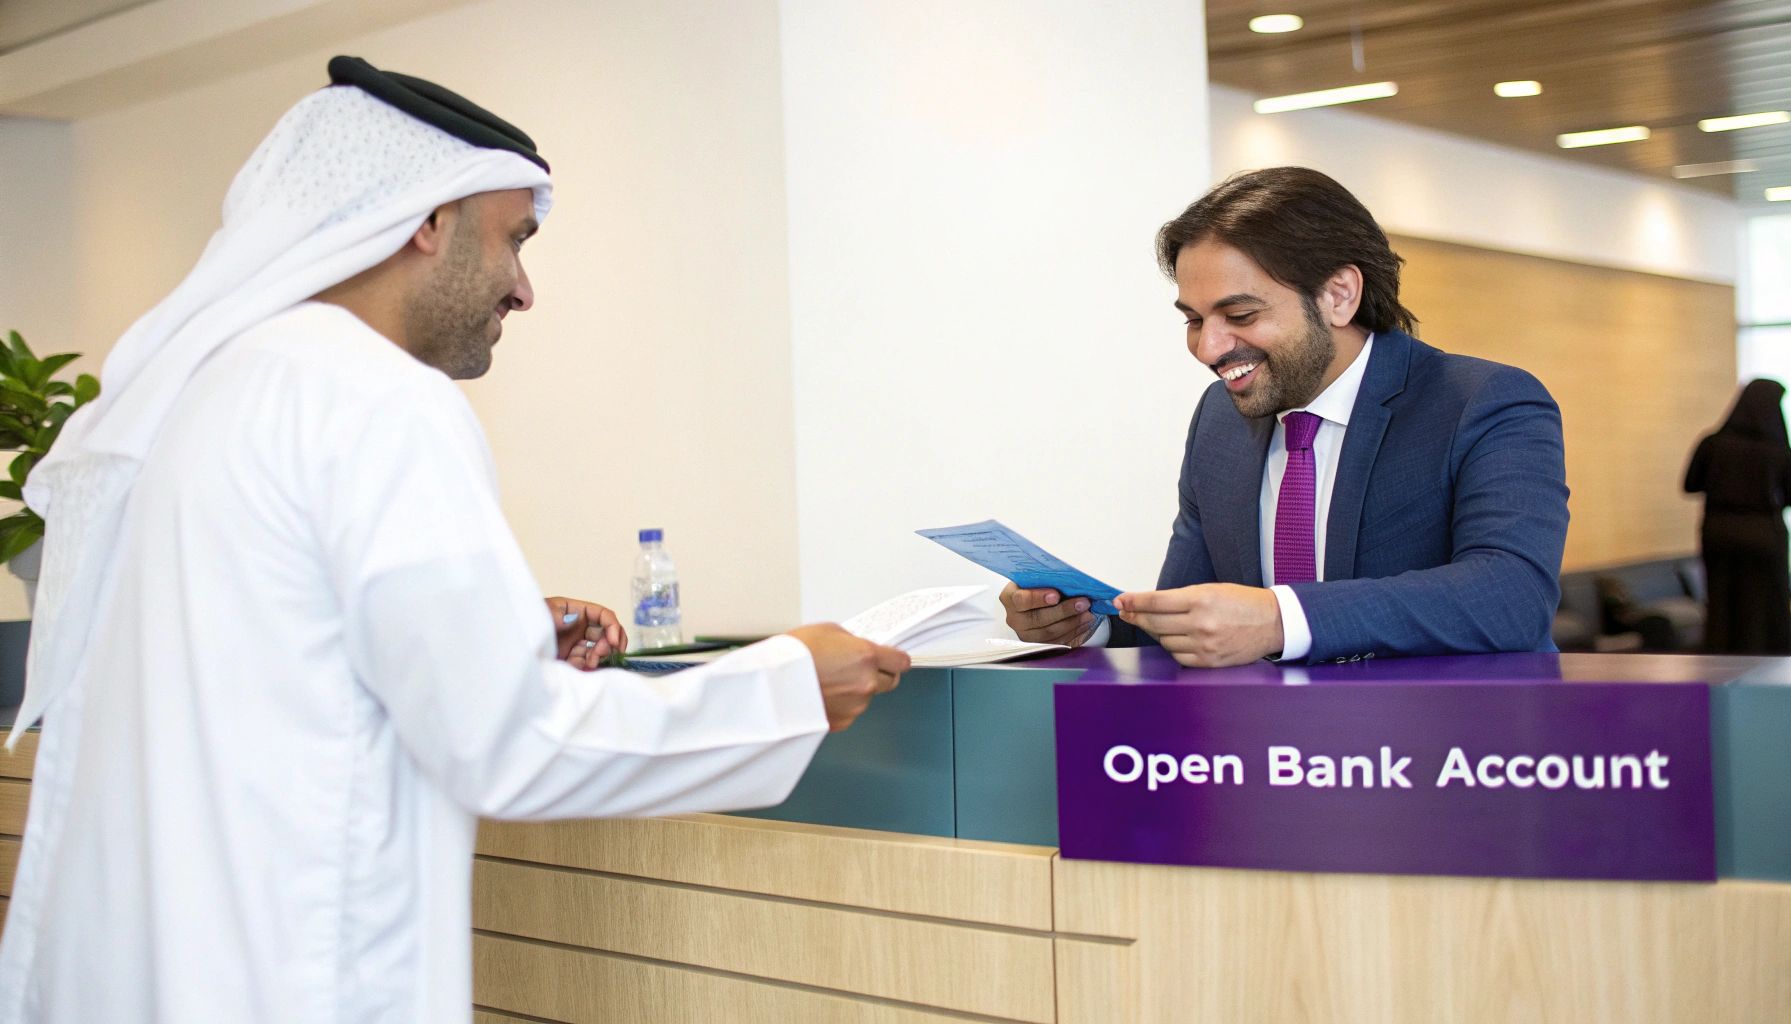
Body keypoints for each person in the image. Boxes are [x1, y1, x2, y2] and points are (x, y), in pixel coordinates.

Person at [0, 57, 908, 1022]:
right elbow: (509, 743)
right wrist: (784, 683)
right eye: (514, 239)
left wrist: (499, 634)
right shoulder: (376, 397)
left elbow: (272, 656)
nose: (524, 290)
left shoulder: (211, 391)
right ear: (428, 222)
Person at [1001, 167, 1569, 666]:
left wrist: (1278, 618)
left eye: (1240, 314)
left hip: (1445, 759)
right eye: (1194, 320)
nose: (1208, 348)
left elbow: (1509, 597)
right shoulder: (1218, 422)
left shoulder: (1485, 402)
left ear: (1339, 295)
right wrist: (1088, 621)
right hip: (1272, 759)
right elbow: (1199, 614)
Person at [1684, 378, 1791, 653]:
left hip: (1719, 532)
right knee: (1766, 607)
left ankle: (1720, 671)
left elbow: (1690, 484)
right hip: (1765, 534)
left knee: (1722, 605)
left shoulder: (1712, 444)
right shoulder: (1779, 450)